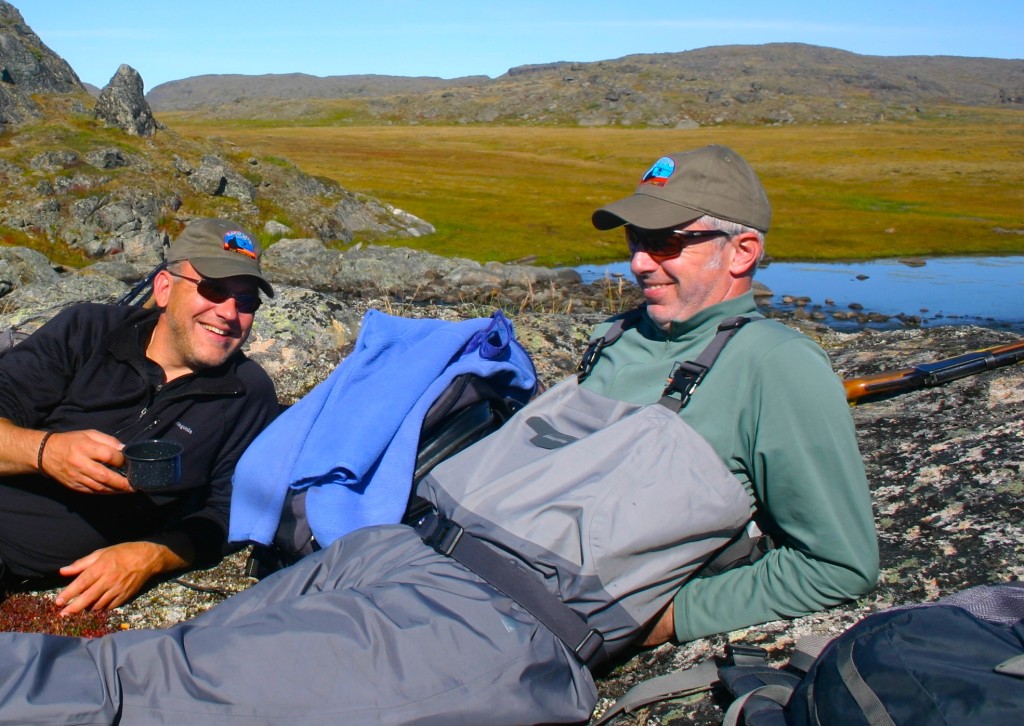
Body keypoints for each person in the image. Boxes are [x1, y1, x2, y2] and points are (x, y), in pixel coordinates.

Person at [0, 147, 876, 725]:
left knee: (143, 695)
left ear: (743, 250)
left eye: (669, 243)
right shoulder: (623, 338)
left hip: (491, 624)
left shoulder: (775, 368)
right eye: (637, 240)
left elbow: (839, 563)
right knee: (175, 658)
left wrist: (664, 618)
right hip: (389, 556)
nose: (641, 260)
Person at [0, 218, 279, 615]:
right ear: (164, 288)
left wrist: (150, 557)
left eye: (246, 300)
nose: (229, 313)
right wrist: (45, 452)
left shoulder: (247, 394)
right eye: (213, 289)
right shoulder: (87, 331)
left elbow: (230, 511)